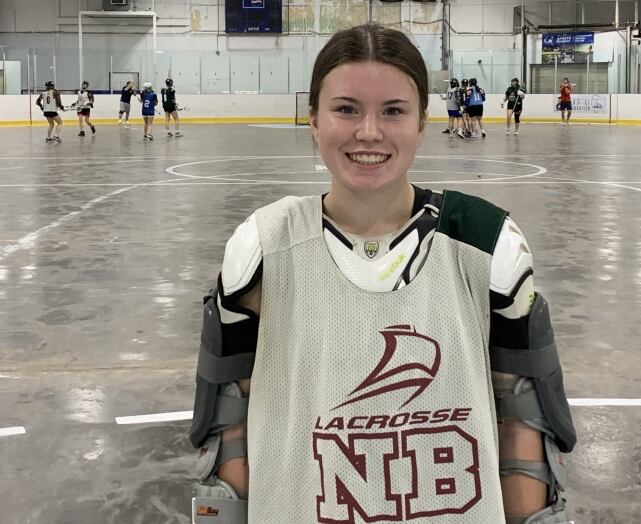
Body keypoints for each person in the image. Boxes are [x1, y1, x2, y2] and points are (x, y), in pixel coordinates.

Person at [189, 23, 576, 524]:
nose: (368, 132)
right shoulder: (262, 247)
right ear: (313, 120)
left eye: (393, 111)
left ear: (421, 123)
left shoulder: (487, 243)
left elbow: (524, 428)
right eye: (346, 109)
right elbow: (229, 433)